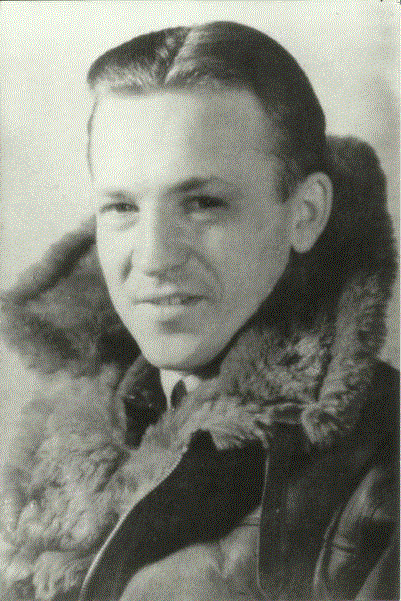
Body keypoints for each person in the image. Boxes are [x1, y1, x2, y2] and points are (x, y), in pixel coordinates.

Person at [0, 21, 398, 601]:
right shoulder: (48, 436)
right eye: (122, 207)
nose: (154, 258)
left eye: (203, 203)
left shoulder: (383, 469)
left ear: (305, 214)